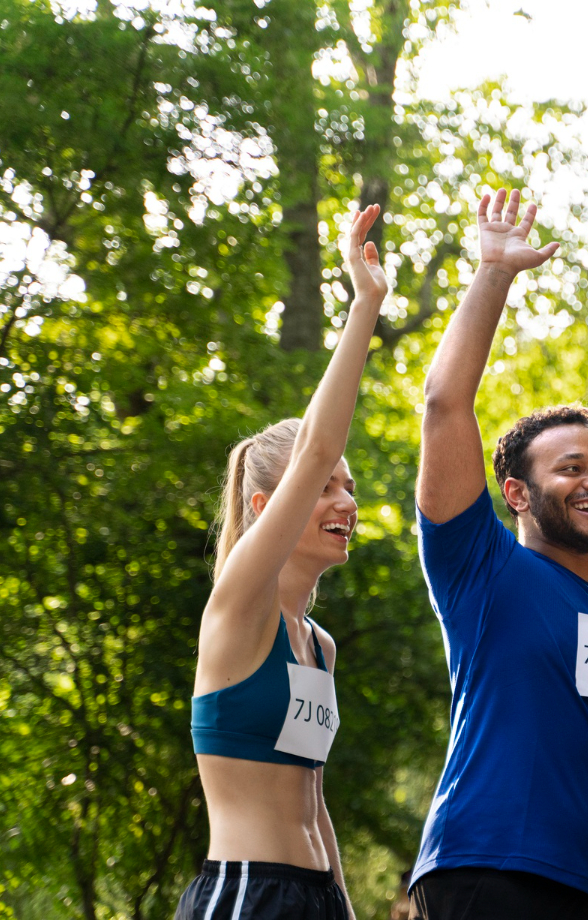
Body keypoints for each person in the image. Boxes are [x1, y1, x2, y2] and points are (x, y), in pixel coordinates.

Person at [407, 188, 588, 920]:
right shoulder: (482, 569)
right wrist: (494, 274)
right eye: (571, 468)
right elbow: (445, 402)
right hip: (483, 875)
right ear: (515, 492)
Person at [177, 204, 389, 920]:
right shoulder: (239, 602)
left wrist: (345, 908)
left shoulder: (319, 646)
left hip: (317, 896)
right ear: (269, 507)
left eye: (350, 491)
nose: (344, 500)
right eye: (328, 486)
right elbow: (319, 446)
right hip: (246, 894)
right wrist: (366, 305)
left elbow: (314, 799)